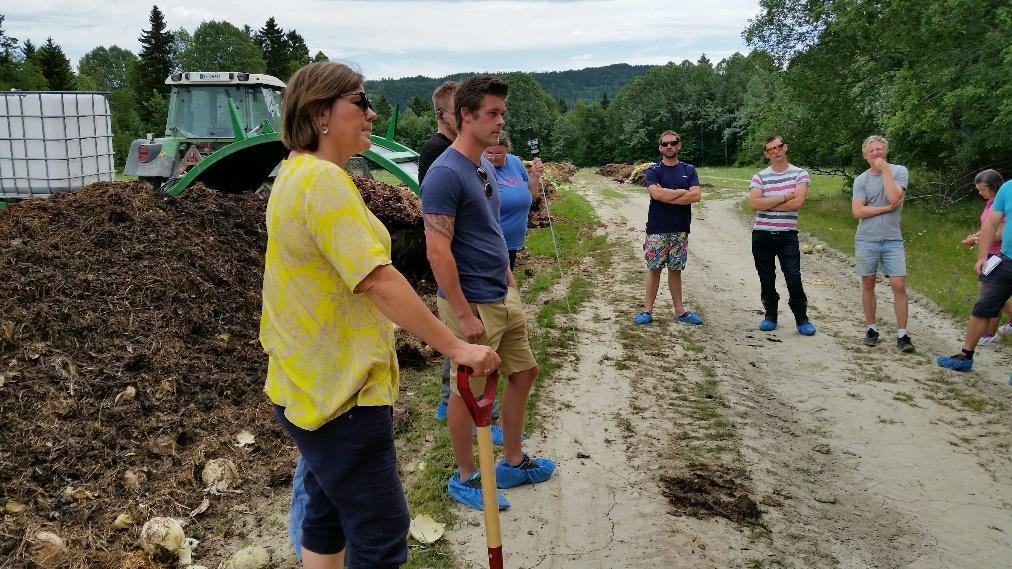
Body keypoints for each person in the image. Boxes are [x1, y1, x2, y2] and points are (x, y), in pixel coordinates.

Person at [261, 62, 500, 569]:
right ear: (321, 113)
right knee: (382, 530)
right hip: (340, 390)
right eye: (361, 101)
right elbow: (377, 279)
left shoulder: (294, 173)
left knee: (327, 513)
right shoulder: (323, 182)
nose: (373, 113)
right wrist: (457, 345)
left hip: (305, 382)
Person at [420, 74, 556, 511]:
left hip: (501, 293)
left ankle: (512, 462)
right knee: (467, 391)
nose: (500, 122)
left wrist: (509, 279)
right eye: (493, 113)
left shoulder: (483, 166)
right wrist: (462, 315)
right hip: (473, 302)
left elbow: (491, 230)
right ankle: (466, 477)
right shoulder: (444, 173)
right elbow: (437, 252)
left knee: (523, 373)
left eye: (502, 113)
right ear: (466, 115)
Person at [938, 176, 1012, 372]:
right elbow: (990, 225)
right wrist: (981, 257)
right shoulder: (1008, 188)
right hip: (1006, 260)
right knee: (983, 306)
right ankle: (965, 356)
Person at [748, 135, 817, 335]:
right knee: (766, 277)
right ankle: (770, 315)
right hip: (762, 234)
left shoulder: (800, 174)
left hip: (787, 234)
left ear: (785, 148)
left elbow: (798, 203)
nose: (776, 152)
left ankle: (802, 318)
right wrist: (786, 196)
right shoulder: (759, 177)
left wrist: (767, 201)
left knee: (793, 277)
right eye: (771, 150)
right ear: (766, 153)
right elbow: (754, 204)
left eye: (778, 147)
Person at [633, 130, 703, 325]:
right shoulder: (654, 171)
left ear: (679, 145)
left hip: (680, 229)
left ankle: (680, 311)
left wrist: (668, 194)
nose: (669, 146)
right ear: (660, 148)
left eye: (673, 143)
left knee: (675, 269)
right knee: (654, 268)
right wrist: (682, 192)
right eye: (665, 144)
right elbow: (656, 195)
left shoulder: (689, 170)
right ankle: (647, 311)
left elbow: (695, 196)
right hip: (657, 228)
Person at [851, 135, 914, 352]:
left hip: (892, 239)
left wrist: (886, 171)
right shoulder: (861, 180)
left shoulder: (899, 171)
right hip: (866, 238)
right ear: (865, 155)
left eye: (880, 149)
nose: (876, 153)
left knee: (898, 284)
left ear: (885, 151)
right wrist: (885, 208)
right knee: (868, 283)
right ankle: (871, 328)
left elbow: (894, 196)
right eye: (872, 151)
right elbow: (858, 211)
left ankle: (902, 333)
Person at [959, 169, 1012, 345]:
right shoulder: (990, 203)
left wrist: (976, 239)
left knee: (992, 295)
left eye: (983, 189)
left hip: (999, 254)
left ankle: (990, 333)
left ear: (993, 187)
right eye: (978, 189)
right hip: (988, 252)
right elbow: (988, 225)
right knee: (988, 293)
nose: (980, 193)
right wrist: (976, 235)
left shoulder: (1002, 200)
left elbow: (1000, 233)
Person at [483, 130, 544, 270]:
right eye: (489, 152)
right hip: (490, 243)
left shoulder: (515, 162)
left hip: (512, 242)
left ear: (507, 151)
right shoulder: (479, 167)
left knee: (506, 284)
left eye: (498, 153)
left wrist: (535, 176)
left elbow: (529, 191)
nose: (492, 157)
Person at [418, 80, 458, 183]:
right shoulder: (438, 149)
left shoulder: (452, 145)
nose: (465, 118)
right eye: (457, 113)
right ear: (439, 115)